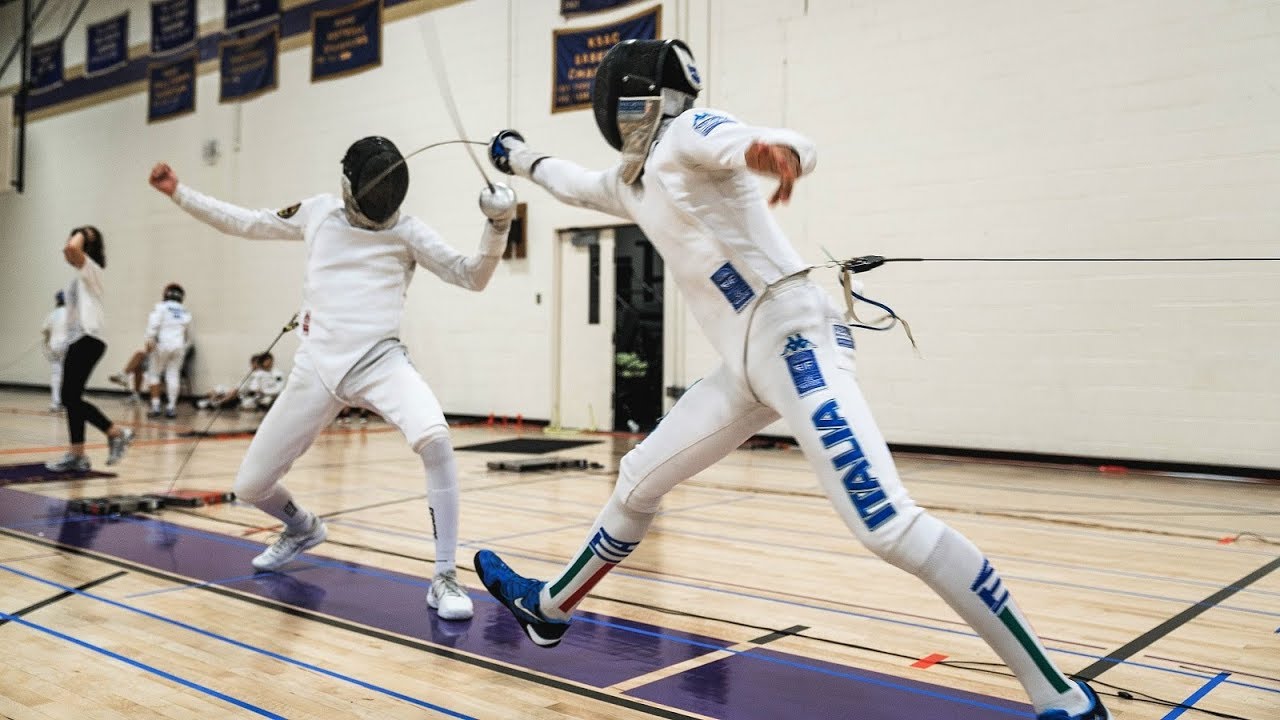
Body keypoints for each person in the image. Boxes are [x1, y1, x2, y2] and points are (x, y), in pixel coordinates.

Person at [473, 39, 1110, 720]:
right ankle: (549, 610)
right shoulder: (633, 181)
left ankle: (1062, 696)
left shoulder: (689, 132)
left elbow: (767, 140)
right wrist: (515, 155)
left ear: (631, 99)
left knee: (885, 523)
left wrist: (775, 152)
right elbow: (569, 179)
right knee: (637, 480)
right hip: (745, 368)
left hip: (796, 340)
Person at [148, 135, 517, 622]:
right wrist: (179, 192)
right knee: (252, 485)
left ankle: (444, 576)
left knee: (435, 439)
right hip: (316, 367)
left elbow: (473, 276)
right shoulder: (317, 212)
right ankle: (301, 527)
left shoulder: (406, 231)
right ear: (349, 187)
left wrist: (498, 226)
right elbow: (245, 222)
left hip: (380, 362)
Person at [46, 226, 135, 471]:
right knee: (71, 398)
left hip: (89, 339)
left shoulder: (91, 269)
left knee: (69, 397)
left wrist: (84, 232)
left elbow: (71, 248)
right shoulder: (79, 277)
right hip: (79, 340)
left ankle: (115, 432)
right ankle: (78, 455)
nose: (68, 243)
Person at [144, 283, 193, 419]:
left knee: (154, 374)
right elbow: (189, 337)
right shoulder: (185, 311)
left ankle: (155, 406)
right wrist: (183, 347)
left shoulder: (161, 308)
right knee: (173, 375)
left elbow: (153, 325)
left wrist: (149, 340)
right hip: (178, 346)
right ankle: (171, 407)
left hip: (161, 345)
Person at [41, 291, 68, 412]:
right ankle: (67, 401)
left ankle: (55, 403)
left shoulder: (52, 314)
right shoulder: (71, 313)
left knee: (56, 374)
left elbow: (44, 330)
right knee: (67, 375)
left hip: (53, 346)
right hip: (66, 346)